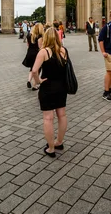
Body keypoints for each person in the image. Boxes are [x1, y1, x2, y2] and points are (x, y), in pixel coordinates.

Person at [31, 27, 68, 158]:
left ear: (46, 37)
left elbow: (34, 71)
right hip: (61, 86)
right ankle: (59, 142)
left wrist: (38, 81)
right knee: (62, 115)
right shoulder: (63, 50)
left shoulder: (43, 52)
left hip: (48, 86)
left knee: (48, 118)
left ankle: (51, 148)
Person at [23, 23, 44, 90]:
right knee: (37, 69)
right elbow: (40, 47)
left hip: (29, 53)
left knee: (32, 68)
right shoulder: (40, 36)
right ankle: (35, 85)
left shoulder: (29, 35)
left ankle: (29, 80)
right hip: (36, 54)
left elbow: (28, 45)